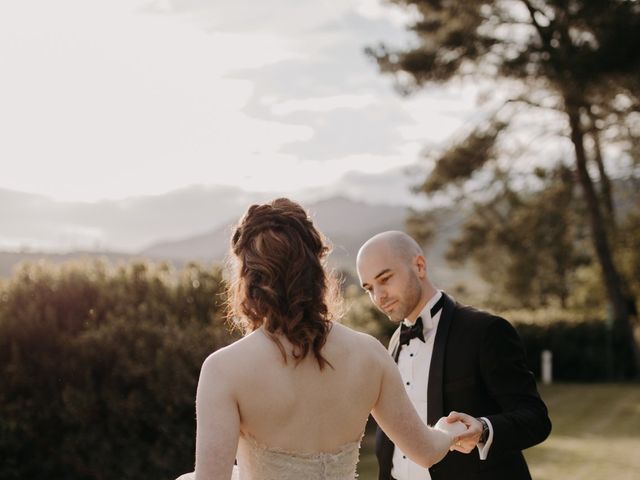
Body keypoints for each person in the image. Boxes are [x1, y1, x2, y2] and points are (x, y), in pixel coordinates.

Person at [178, 199, 475, 480]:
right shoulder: (369, 353)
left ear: (248, 277)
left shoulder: (224, 370)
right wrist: (447, 433)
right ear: (316, 269)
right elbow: (425, 451)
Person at [356, 231, 552, 480]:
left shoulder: (485, 330)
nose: (378, 296)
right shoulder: (393, 342)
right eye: (369, 288)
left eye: (385, 279)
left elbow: (535, 420)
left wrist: (482, 429)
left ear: (419, 266)